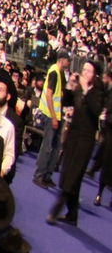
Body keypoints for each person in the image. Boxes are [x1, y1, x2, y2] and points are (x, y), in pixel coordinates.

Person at [48, 61, 104, 228]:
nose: (84, 73)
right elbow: (67, 103)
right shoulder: (79, 88)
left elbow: (95, 110)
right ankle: (72, 214)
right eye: (84, 69)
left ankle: (57, 208)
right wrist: (70, 86)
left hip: (86, 139)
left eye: (88, 70)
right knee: (71, 174)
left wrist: (85, 90)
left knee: (73, 174)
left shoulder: (98, 92)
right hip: (73, 134)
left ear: (95, 75)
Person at [33, 52, 70, 188]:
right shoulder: (54, 72)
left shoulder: (60, 73)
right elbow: (49, 95)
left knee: (55, 147)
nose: (70, 63)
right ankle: (39, 175)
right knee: (47, 147)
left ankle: (47, 175)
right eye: (68, 60)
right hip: (51, 114)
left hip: (58, 114)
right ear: (63, 59)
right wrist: (54, 117)